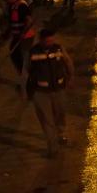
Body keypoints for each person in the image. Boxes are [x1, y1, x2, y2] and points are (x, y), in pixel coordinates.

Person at [20, 28, 74, 157]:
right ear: (41, 40)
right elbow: (25, 72)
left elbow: (68, 62)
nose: (50, 42)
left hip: (58, 90)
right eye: (47, 40)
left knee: (60, 113)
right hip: (41, 92)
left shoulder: (58, 49)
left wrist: (71, 77)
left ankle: (61, 133)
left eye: (52, 39)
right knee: (47, 120)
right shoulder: (32, 53)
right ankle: (52, 148)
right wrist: (24, 91)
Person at [1, 0, 34, 75]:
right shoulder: (12, 6)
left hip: (26, 37)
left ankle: (30, 77)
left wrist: (22, 34)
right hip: (18, 36)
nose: (5, 1)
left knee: (25, 58)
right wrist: (7, 33)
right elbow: (12, 22)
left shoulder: (21, 5)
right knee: (15, 54)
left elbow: (30, 21)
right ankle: (22, 73)